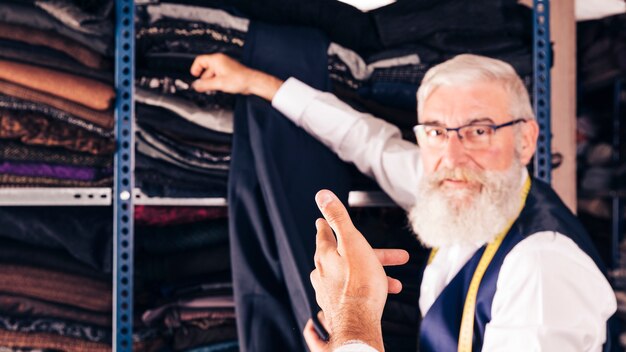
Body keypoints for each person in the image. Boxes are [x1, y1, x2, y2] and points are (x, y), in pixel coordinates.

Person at [190, 53, 617, 351]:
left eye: (480, 130)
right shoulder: (459, 185)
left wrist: (353, 328)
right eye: (435, 131)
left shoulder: (540, 268)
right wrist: (253, 82)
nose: (452, 155)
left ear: (525, 140)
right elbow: (365, 140)